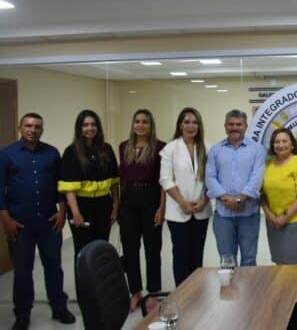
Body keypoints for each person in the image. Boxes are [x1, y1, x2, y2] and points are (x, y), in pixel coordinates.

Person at [0, 113, 76, 330]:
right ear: (20, 128)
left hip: (49, 221)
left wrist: (62, 212)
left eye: (37, 127)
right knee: (23, 272)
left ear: (42, 130)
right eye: (28, 126)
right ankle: (22, 314)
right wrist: (6, 220)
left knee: (54, 267)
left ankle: (59, 307)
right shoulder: (7, 155)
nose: (32, 130)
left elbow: (61, 185)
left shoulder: (52, 153)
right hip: (19, 224)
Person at [118, 109, 166, 312]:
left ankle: (153, 293)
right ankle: (135, 292)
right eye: (137, 121)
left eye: (145, 122)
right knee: (130, 249)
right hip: (128, 201)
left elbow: (164, 181)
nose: (140, 125)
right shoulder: (124, 146)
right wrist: (118, 206)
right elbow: (121, 179)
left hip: (151, 199)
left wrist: (162, 208)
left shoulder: (160, 147)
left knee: (152, 248)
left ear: (151, 125)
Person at [206, 109, 266, 266]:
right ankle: (229, 284)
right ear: (225, 126)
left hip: (249, 214)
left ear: (245, 126)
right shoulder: (215, 150)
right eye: (231, 124)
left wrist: (240, 199)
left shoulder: (257, 149)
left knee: (249, 259)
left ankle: (247, 284)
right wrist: (227, 199)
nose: (235, 128)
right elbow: (210, 177)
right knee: (227, 260)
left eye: (238, 124)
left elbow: (257, 178)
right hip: (223, 215)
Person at [159, 107, 212, 286]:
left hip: (201, 210)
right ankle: (182, 294)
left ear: (199, 125)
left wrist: (205, 200)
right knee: (181, 255)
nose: (191, 126)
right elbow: (165, 180)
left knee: (197, 255)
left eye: (195, 122)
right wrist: (183, 203)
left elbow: (213, 178)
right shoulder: (170, 148)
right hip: (178, 211)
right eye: (187, 122)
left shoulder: (207, 147)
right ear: (180, 125)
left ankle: (197, 292)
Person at [58, 109, 119, 260]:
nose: (90, 128)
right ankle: (83, 278)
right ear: (79, 128)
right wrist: (75, 212)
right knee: (83, 251)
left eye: (93, 124)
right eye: (85, 125)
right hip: (81, 206)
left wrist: (116, 206)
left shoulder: (106, 149)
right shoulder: (71, 152)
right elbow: (68, 187)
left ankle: (101, 277)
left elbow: (114, 182)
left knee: (102, 248)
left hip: (104, 205)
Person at [261, 128, 297, 264]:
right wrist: (270, 216)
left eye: (284, 141)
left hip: (296, 221)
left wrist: (284, 218)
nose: (280, 145)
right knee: (279, 262)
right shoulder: (268, 164)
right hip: (273, 222)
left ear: (292, 144)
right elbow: (262, 194)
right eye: (277, 142)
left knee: (292, 264)